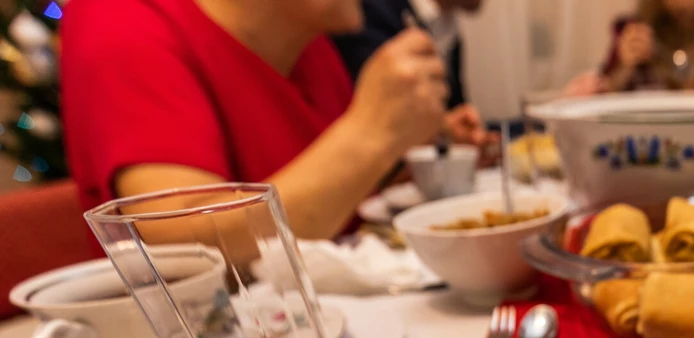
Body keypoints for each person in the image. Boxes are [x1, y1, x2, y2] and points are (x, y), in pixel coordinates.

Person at [61, 0, 448, 244]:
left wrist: (410, 143)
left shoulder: (308, 44)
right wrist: (371, 134)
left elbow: (333, 211)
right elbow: (177, 240)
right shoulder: (121, 19)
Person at [331, 0, 490, 148]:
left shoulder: (448, 25)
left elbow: (453, 110)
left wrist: (459, 133)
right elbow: (380, 127)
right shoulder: (369, 12)